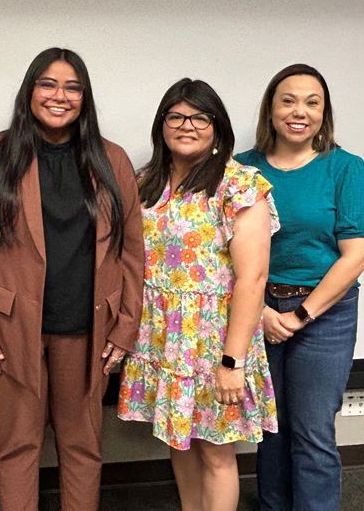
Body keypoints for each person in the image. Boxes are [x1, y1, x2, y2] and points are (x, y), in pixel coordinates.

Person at [0, 47, 144, 511]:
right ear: (30, 91)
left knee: (83, 447)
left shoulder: (111, 159)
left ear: (85, 98)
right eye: (48, 84)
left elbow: (133, 252)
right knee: (17, 447)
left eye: (73, 87)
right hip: (10, 329)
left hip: (89, 330)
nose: (60, 96)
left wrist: (125, 328)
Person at [118, 78, 279, 510]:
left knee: (216, 451)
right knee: (179, 440)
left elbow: (252, 279)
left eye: (199, 117)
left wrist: (232, 362)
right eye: (176, 116)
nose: (186, 126)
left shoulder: (239, 185)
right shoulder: (145, 182)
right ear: (162, 125)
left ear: (217, 126)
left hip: (216, 342)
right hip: (164, 339)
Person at [237, 64, 364, 510]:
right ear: (271, 109)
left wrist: (299, 315)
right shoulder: (241, 169)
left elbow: (356, 256)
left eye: (312, 103)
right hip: (258, 309)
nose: (299, 111)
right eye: (288, 101)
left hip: (324, 316)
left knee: (312, 431)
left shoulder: (346, 169)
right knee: (270, 428)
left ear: (324, 113)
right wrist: (262, 312)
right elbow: (220, 253)